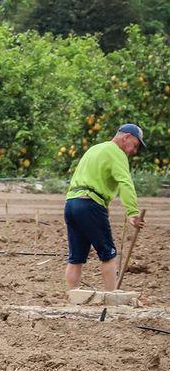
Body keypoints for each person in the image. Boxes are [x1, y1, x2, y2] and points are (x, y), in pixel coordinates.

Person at [63, 123, 146, 292]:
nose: (133, 151)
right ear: (126, 138)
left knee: (76, 258)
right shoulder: (116, 153)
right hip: (90, 205)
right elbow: (125, 183)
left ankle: (72, 298)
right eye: (135, 145)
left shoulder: (95, 149)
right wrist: (132, 212)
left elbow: (92, 177)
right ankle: (111, 297)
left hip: (71, 204)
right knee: (108, 254)